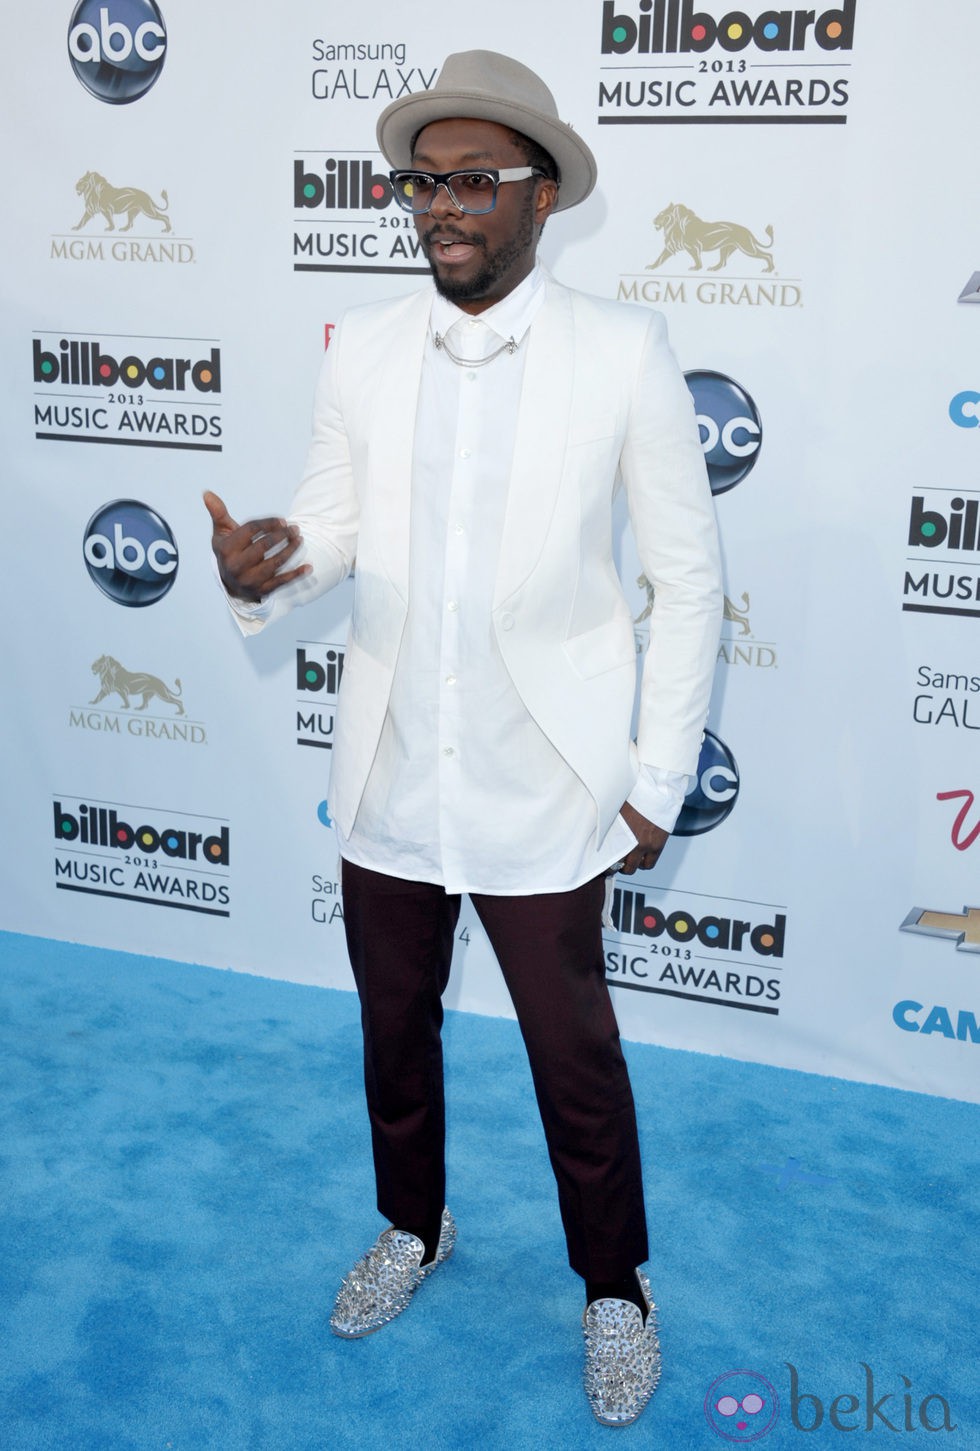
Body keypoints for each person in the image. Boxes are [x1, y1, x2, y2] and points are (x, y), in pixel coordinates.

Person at [204, 49, 722, 1429]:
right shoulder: (366, 350)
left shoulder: (623, 352)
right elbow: (330, 524)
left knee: (576, 1060)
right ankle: (410, 1226)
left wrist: (656, 779)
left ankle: (616, 1287)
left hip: (546, 783)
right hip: (389, 770)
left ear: (540, 199)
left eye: (473, 182)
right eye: (421, 184)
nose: (441, 207)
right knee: (393, 1034)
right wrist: (273, 567)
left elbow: (689, 582)